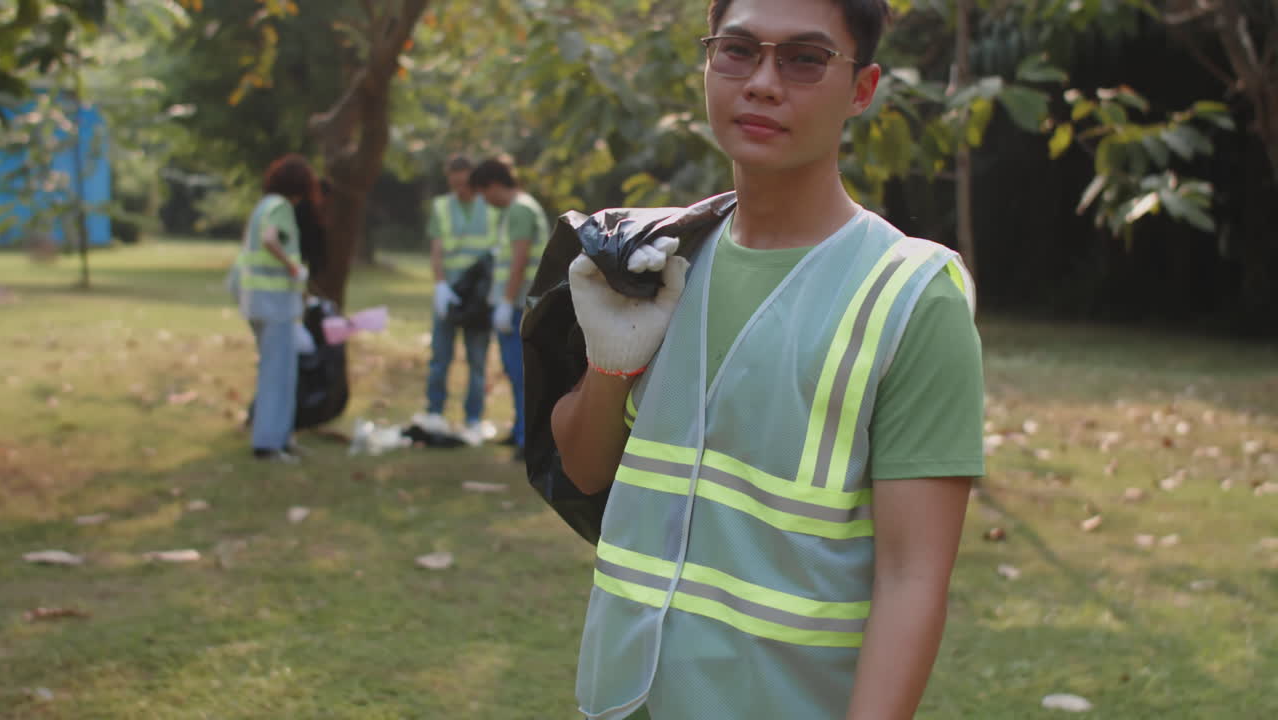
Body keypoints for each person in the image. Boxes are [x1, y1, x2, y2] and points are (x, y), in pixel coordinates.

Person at [550, 1, 985, 718]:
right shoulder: (659, 255)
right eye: (738, 50)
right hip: (624, 701)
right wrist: (609, 366)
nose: (762, 83)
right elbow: (585, 468)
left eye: (805, 60)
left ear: (863, 89)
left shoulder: (910, 295)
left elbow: (912, 577)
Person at [232, 154, 319, 462]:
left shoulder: (261, 207)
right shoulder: (281, 208)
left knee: (279, 370)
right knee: (278, 373)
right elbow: (271, 241)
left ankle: (282, 437)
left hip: (256, 303)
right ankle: (269, 443)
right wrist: (294, 268)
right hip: (275, 305)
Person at [470, 157, 550, 461]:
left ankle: (526, 438)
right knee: (515, 372)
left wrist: (506, 302)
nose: (484, 200)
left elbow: (519, 260)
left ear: (491, 185)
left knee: (521, 374)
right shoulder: (520, 208)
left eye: (482, 192)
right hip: (518, 302)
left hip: (518, 304)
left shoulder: (518, 210)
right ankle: (520, 429)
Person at [421, 155, 500, 445]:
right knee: (440, 357)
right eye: (454, 184)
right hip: (450, 291)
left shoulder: (490, 208)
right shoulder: (442, 207)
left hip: (478, 297)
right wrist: (440, 284)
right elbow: (437, 249)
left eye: (464, 183)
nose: (460, 190)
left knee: (477, 360)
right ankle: (434, 412)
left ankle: (474, 418)